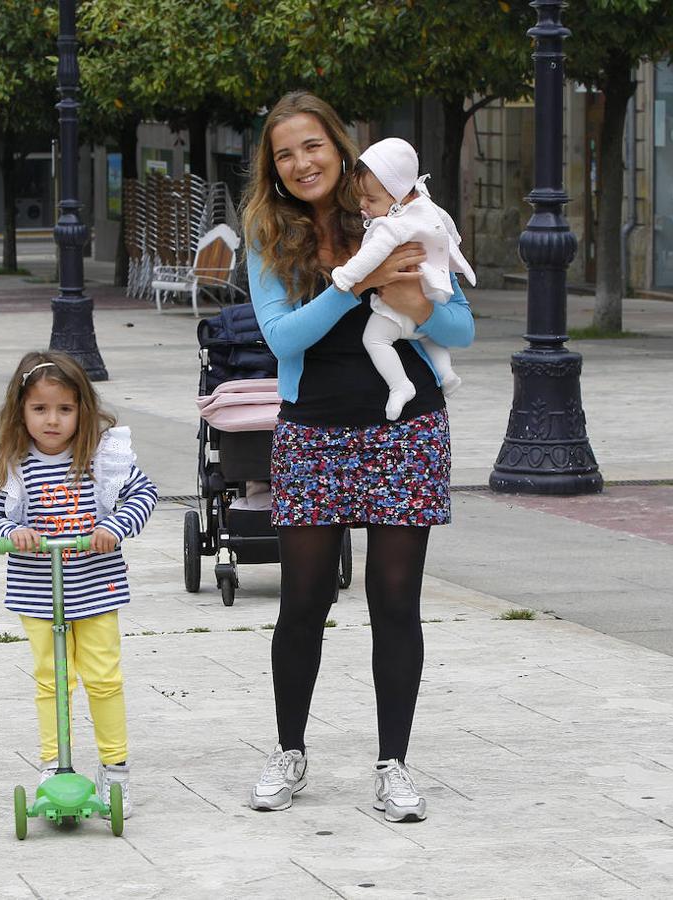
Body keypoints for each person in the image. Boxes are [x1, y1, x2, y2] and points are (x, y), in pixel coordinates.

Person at [242, 91, 475, 822]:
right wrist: (360, 285)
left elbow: (461, 328)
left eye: (313, 146)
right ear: (273, 170)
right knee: (303, 602)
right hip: (312, 433)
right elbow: (284, 340)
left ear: (340, 149)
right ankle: (289, 752)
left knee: (395, 603)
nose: (302, 162)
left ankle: (394, 765)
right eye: (285, 154)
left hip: (407, 433)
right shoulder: (268, 237)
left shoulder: (393, 215)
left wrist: (408, 294)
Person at [0, 351, 158, 817]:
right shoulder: (11, 465)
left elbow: (145, 493)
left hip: (96, 587)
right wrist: (12, 534)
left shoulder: (103, 460)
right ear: (21, 411)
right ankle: (54, 764)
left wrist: (114, 527)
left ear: (83, 409)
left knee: (103, 678)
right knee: (52, 680)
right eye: (40, 409)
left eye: (64, 409)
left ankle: (114, 769)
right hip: (37, 591)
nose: (52, 420)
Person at [330, 137, 477, 420]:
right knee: (430, 339)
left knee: (375, 340)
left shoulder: (390, 226)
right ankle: (445, 373)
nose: (363, 205)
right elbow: (447, 228)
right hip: (433, 297)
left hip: (395, 310)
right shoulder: (426, 208)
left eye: (371, 199)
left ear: (398, 195)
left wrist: (346, 277)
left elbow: (370, 256)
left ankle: (399, 385)